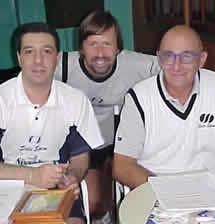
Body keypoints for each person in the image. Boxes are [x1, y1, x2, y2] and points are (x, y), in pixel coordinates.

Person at [0, 22, 104, 224]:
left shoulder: (76, 101)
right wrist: (32, 175)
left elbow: (80, 156)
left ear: (57, 57)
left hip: (55, 191)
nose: (38, 60)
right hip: (5, 189)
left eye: (46, 51)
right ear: (19, 58)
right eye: (29, 51)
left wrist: (72, 177)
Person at [112, 25, 215, 190]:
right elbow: (122, 166)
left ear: (202, 60)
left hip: (214, 188)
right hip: (157, 188)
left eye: (186, 57)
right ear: (159, 58)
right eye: (168, 56)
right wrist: (168, 191)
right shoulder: (138, 98)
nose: (176, 66)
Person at [54, 10, 160, 220]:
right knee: (93, 203)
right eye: (92, 44)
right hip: (82, 147)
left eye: (107, 44)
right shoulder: (64, 66)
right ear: (81, 48)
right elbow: (29, 78)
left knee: (126, 202)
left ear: (118, 48)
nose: (100, 53)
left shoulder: (135, 64)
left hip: (119, 145)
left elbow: (174, 67)